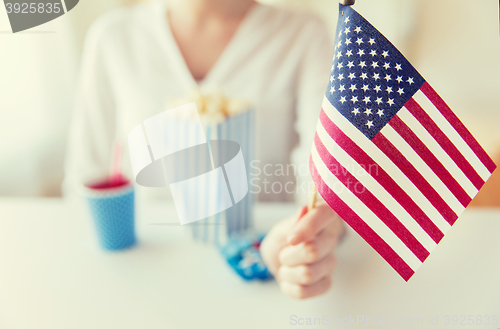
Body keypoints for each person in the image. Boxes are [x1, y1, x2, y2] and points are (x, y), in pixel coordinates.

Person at [64, 0, 345, 299]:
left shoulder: (302, 34)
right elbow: (84, 178)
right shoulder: (113, 37)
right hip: (141, 276)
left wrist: (305, 240)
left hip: (264, 278)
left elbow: (325, 184)